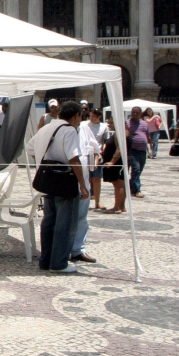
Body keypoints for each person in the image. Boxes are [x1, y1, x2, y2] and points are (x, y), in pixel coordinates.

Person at [31, 101, 88, 273]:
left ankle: (46, 259)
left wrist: (45, 161)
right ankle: (59, 263)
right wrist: (83, 186)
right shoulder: (69, 130)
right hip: (64, 181)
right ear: (76, 115)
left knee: (49, 221)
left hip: (48, 181)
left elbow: (29, 148)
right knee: (65, 223)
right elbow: (74, 159)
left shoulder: (46, 127)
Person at [69, 110, 102, 263]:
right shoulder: (59, 129)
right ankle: (60, 250)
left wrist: (94, 161)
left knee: (81, 218)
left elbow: (95, 149)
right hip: (65, 183)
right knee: (62, 218)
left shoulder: (84, 129)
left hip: (84, 181)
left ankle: (77, 250)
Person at [84, 109, 109, 210]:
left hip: (97, 153)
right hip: (86, 153)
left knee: (97, 179)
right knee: (86, 178)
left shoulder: (104, 126)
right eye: (90, 116)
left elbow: (105, 140)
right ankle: (85, 201)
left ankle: (97, 202)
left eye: (93, 116)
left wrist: (103, 150)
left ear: (99, 117)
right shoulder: (85, 125)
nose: (91, 118)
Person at [101, 118, 126, 213]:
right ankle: (121, 206)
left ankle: (117, 207)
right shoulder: (118, 133)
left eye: (111, 123)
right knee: (120, 184)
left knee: (118, 184)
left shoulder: (120, 134)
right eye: (109, 123)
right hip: (118, 162)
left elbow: (119, 149)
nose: (109, 125)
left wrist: (112, 162)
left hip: (118, 163)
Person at [125, 106, 149, 198]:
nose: (135, 114)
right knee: (136, 169)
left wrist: (150, 147)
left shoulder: (144, 123)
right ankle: (136, 190)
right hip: (132, 150)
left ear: (140, 113)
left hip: (143, 150)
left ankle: (132, 185)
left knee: (139, 170)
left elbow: (147, 135)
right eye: (133, 112)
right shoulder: (127, 123)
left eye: (137, 112)